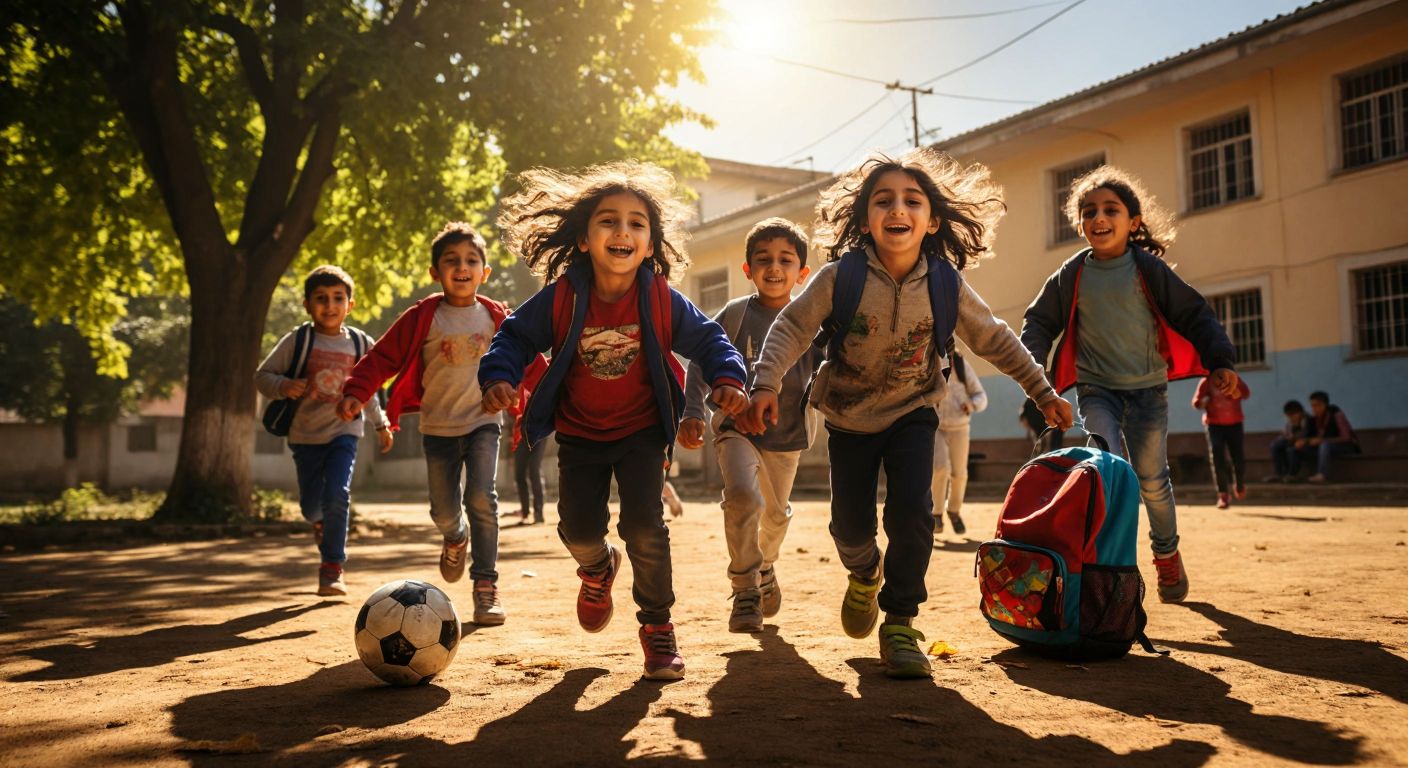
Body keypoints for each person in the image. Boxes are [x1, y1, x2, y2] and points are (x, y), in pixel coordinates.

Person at [740, 148, 1072, 679]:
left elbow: (993, 337)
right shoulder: (839, 277)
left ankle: (900, 621)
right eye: (883, 200)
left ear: (932, 220)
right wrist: (765, 383)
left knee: (913, 515)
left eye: (911, 200)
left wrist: (1041, 389)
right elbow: (791, 328)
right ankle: (864, 571)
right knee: (849, 526)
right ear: (866, 218)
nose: (898, 209)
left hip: (915, 410)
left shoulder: (944, 283)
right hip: (848, 415)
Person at [478, 161, 748, 681]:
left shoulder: (660, 298)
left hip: (643, 433)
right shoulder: (563, 296)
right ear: (583, 238)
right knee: (578, 528)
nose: (622, 231)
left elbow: (711, 340)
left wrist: (727, 379)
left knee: (645, 527)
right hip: (580, 433)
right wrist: (498, 375)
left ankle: (657, 628)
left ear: (650, 244)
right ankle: (597, 568)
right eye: (608, 221)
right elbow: (513, 336)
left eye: (636, 223)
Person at [1021, 166, 1240, 604]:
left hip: (1147, 392)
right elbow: (1039, 322)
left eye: (1110, 210)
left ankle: (1166, 554)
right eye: (1088, 212)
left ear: (1133, 221)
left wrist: (1220, 361)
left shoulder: (1147, 269)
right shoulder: (1072, 273)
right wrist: (1034, 375)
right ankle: (1110, 570)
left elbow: (1194, 313)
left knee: (1153, 479)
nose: (1098, 218)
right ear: (1079, 223)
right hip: (1096, 388)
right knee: (1109, 472)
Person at [338, 222, 522, 627]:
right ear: (435, 272)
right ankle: (455, 536)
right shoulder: (423, 316)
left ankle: (485, 585)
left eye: (471, 260)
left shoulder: (496, 317)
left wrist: (553, 397)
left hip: (483, 422)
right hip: (437, 426)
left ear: (485, 272)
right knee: (443, 510)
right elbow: (382, 357)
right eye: (451, 260)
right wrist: (356, 390)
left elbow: (528, 360)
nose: (462, 267)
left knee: (482, 497)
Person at [678, 217, 823, 633]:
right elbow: (700, 364)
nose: (774, 268)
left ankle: (766, 566)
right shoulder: (735, 315)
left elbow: (833, 368)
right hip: (735, 429)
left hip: (788, 435)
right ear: (747, 269)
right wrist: (692, 413)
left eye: (785, 260)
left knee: (775, 517)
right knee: (743, 498)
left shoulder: (812, 321)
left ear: (802, 273)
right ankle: (745, 590)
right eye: (763, 260)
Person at [255, 265, 393, 597]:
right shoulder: (298, 340)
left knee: (337, 494)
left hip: (345, 431)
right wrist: (285, 385)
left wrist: (381, 423)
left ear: (350, 304)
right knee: (311, 506)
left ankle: (332, 567)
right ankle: (319, 522)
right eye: (321, 298)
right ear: (307, 304)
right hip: (304, 435)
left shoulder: (361, 343)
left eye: (337, 298)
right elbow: (262, 376)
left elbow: (369, 389)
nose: (329, 306)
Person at [932, 350, 986, 536]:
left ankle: (954, 511)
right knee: (939, 468)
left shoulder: (962, 366)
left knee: (959, 473)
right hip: (936, 427)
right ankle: (936, 513)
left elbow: (981, 396)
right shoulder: (929, 363)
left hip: (960, 426)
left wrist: (971, 405)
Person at [1192, 374, 1251, 508]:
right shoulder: (1206, 382)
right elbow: (1196, 402)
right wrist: (1203, 402)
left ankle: (1240, 484)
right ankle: (1223, 494)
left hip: (1235, 423)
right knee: (1217, 456)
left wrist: (1236, 392)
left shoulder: (1234, 378)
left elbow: (1246, 393)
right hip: (1214, 425)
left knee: (1238, 457)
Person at [507, 357, 549, 525]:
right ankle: (525, 513)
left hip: (539, 429)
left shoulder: (540, 366)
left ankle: (539, 513)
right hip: (520, 430)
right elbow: (512, 407)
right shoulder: (515, 377)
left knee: (534, 469)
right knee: (519, 473)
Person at [1304, 390, 1361, 482]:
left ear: (1325, 405)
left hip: (1346, 447)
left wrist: (1323, 440)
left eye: (1317, 405)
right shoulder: (1314, 419)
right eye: (1312, 406)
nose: (1314, 409)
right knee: (1305, 448)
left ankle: (1321, 474)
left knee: (1324, 445)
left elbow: (1346, 438)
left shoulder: (1337, 415)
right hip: (1326, 448)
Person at [1266, 399, 1310, 481]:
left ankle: (1292, 474)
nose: (1291, 418)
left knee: (1292, 450)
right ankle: (1279, 473)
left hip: (1306, 444)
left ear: (1301, 412)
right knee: (1275, 445)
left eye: (1293, 414)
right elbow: (1288, 433)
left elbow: (1306, 434)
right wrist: (1287, 436)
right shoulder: (1290, 422)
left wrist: (1294, 435)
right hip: (1293, 442)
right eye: (1289, 415)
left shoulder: (1309, 420)